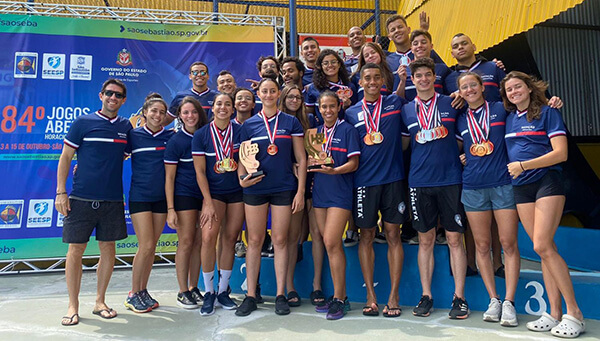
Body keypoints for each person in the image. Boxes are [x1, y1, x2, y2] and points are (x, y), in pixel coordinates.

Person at [501, 71, 585, 337]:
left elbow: (561, 153)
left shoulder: (548, 112)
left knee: (541, 244)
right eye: (509, 90)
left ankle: (575, 314)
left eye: (518, 87)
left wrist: (525, 165)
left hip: (547, 181)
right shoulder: (510, 119)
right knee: (545, 249)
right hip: (521, 187)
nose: (514, 92)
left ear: (529, 88)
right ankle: (554, 313)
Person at [56, 79, 132, 326]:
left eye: (118, 95)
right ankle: (73, 305)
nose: (113, 97)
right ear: (101, 95)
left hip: (112, 200)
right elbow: (66, 157)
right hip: (80, 199)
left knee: (108, 249)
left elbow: (128, 151)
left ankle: (100, 301)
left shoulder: (125, 127)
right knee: (75, 251)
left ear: (123, 100)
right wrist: (60, 192)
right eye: (109, 93)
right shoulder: (82, 123)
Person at [400, 58, 469, 319]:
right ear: (413, 80)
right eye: (419, 76)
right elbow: (405, 146)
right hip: (419, 182)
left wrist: (452, 156)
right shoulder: (407, 110)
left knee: (454, 239)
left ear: (434, 77)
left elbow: (463, 139)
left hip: (450, 179)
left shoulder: (451, 103)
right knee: (425, 240)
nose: (424, 80)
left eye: (428, 75)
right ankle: (426, 295)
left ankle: (459, 297)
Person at [235, 78, 307, 317]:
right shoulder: (249, 125)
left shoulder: (291, 122)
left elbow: (301, 158)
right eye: (264, 91)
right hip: (255, 188)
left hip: (284, 187)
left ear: (279, 94)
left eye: (272, 91)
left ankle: (280, 294)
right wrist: (241, 178)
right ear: (259, 94)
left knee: (280, 240)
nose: (268, 94)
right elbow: (242, 160)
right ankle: (251, 296)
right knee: (254, 241)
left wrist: (300, 191)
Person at [345, 63, 409, 318]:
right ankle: (371, 296)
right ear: (360, 82)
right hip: (364, 182)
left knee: (393, 234)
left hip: (393, 180)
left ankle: (394, 296)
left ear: (383, 80)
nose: (372, 82)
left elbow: (405, 141)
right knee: (367, 236)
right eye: (367, 78)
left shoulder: (395, 103)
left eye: (376, 77)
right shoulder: (350, 113)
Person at [456, 72, 520, 325]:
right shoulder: (460, 119)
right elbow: (458, 148)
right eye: (464, 87)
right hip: (472, 186)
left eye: (473, 85)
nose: (469, 89)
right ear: (460, 92)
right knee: (481, 245)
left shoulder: (500, 108)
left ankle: (509, 302)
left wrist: (553, 102)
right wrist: (462, 157)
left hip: (503, 183)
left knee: (508, 243)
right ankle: (493, 299)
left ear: (483, 87)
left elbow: (528, 108)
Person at [192, 93, 244, 315]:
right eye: (219, 104)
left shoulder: (241, 131)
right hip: (213, 194)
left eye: (227, 104)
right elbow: (200, 171)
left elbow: (245, 161)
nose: (223, 108)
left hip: (237, 193)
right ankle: (209, 292)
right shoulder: (202, 135)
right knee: (208, 238)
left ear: (233, 109)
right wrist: (207, 201)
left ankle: (223, 291)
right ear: (212, 108)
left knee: (230, 238)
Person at [310, 91, 361, 320]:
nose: (328, 111)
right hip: (320, 193)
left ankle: (341, 298)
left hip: (340, 193)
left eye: (332, 106)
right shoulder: (315, 134)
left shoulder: (348, 130)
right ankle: (337, 295)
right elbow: (313, 164)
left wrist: (335, 171)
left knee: (332, 241)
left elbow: (354, 163)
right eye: (324, 107)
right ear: (319, 109)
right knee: (328, 244)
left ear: (339, 107)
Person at [124, 93, 174, 313]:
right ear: (144, 113)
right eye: (154, 111)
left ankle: (143, 290)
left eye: (162, 112)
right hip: (140, 197)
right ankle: (133, 293)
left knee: (152, 247)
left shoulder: (171, 137)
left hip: (162, 198)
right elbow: (112, 156)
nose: (158, 115)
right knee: (144, 246)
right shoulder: (133, 136)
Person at [164, 96, 209, 309]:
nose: (190, 116)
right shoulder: (176, 141)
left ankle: (193, 287)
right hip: (184, 195)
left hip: (205, 195)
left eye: (193, 112)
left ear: (199, 113)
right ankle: (182, 291)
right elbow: (169, 178)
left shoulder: (206, 135)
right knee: (186, 242)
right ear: (180, 116)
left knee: (199, 242)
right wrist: (171, 208)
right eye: (185, 113)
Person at [278, 84, 318, 307]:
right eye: (290, 97)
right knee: (290, 237)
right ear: (282, 99)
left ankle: (316, 285)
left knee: (310, 233)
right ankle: (289, 286)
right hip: (286, 183)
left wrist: (306, 164)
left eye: (298, 97)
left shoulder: (309, 122)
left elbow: (316, 153)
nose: (295, 100)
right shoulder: (275, 122)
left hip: (310, 179)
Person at [385, 13, 444, 92]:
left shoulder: (425, 52)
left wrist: (423, 32)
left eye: (400, 27)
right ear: (389, 37)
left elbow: (443, 72)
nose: (397, 31)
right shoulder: (387, 61)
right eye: (393, 30)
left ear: (408, 29)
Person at [446, 33, 507, 102]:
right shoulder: (449, 80)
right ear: (452, 54)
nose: (460, 47)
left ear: (474, 47)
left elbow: (508, 93)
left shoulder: (493, 67)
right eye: (455, 46)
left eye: (464, 43)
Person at [305, 49, 357, 123]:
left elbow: (355, 114)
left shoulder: (349, 87)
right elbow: (309, 114)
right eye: (326, 63)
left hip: (345, 130)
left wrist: (347, 108)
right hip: (323, 131)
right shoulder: (313, 88)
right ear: (320, 66)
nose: (330, 65)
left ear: (339, 64)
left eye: (333, 62)